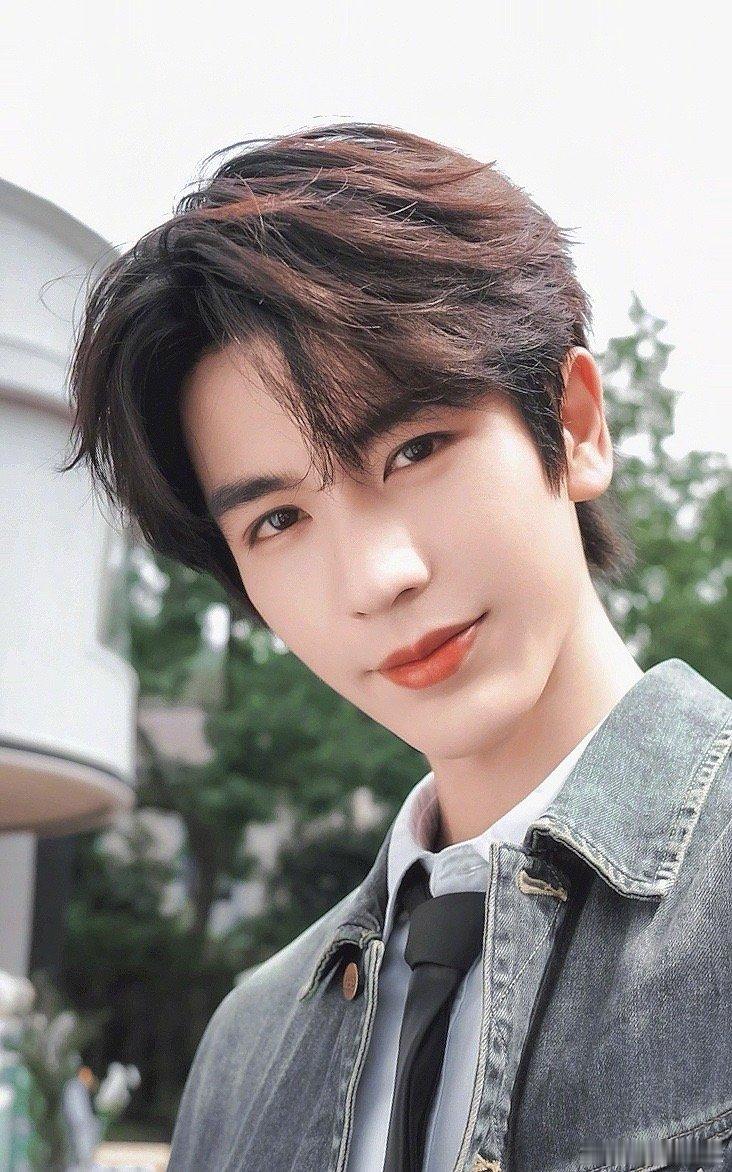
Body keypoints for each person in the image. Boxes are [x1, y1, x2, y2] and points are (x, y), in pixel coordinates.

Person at [61, 122, 732, 1171]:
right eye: (278, 520)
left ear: (574, 425)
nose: (376, 576)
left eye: (414, 449)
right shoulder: (247, 1051)